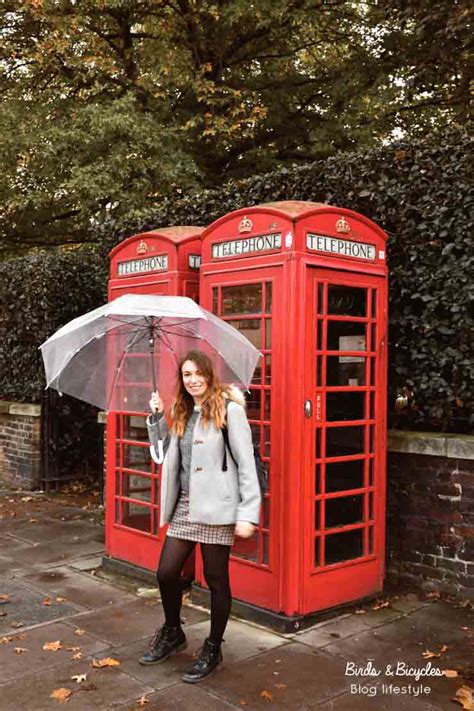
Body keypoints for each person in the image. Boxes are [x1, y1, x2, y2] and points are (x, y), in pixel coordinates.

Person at [139, 349, 261, 683]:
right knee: (166, 572)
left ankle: (213, 646)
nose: (192, 380)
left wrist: (248, 513)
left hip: (218, 507)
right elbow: (162, 454)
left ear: (209, 374)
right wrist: (156, 418)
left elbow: (247, 464)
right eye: (186, 375)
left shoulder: (229, 411)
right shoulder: (181, 410)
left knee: (216, 579)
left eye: (197, 374)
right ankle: (173, 631)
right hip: (185, 505)